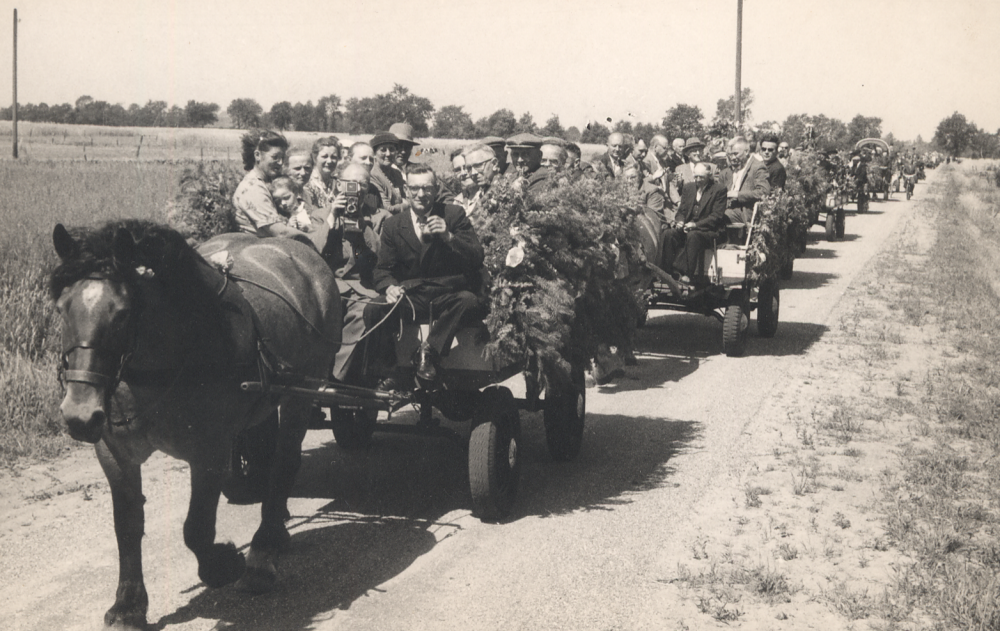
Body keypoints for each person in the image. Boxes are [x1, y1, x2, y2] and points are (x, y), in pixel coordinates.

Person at [363, 165, 485, 389]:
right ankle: (388, 373)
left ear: (437, 189)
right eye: (415, 188)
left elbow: (476, 257)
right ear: (406, 189)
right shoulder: (393, 224)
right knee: (375, 308)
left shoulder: (453, 214)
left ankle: (429, 351)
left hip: (448, 295)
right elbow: (383, 269)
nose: (421, 195)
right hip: (412, 296)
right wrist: (389, 287)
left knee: (469, 301)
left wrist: (449, 236)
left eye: (427, 188)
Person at [328, 162, 390, 381]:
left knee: (364, 313)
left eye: (363, 185)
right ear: (338, 185)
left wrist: (363, 227)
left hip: (363, 288)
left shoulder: (380, 218)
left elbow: (382, 258)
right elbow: (312, 251)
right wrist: (331, 219)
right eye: (351, 184)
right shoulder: (320, 214)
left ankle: (336, 377)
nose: (357, 190)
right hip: (327, 286)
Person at [232, 129, 315, 245]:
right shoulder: (253, 189)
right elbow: (281, 232)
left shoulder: (270, 182)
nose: (280, 162)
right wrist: (317, 239)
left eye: (282, 158)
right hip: (260, 249)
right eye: (275, 157)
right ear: (257, 155)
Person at [660, 163, 728, 284]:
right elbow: (682, 211)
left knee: (693, 236)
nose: (697, 180)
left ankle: (687, 274)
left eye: (701, 177)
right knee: (668, 234)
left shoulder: (719, 190)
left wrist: (695, 225)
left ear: (709, 176)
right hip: (688, 228)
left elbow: (716, 217)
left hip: (709, 231)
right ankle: (668, 271)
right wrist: (680, 221)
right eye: (695, 176)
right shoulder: (689, 188)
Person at [720, 136, 771, 226]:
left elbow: (764, 192)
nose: (732, 158)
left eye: (735, 154)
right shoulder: (729, 170)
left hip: (745, 211)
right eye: (730, 155)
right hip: (728, 208)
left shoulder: (757, 167)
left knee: (719, 217)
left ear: (746, 152)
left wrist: (737, 194)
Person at [369, 132, 409, 214]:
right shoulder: (372, 176)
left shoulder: (397, 173)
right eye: (383, 150)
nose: (388, 154)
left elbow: (407, 195)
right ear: (374, 154)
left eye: (392, 149)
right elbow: (386, 208)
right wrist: (406, 205)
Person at [303, 136, 342, 209]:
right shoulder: (307, 184)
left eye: (334, 157)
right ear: (315, 158)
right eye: (324, 156)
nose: (329, 161)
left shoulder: (337, 183)